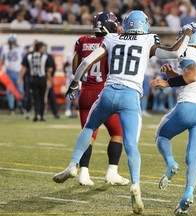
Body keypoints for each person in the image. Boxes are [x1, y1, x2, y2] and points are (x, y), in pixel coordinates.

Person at [52, 10, 192, 214]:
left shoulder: (112, 38)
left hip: (107, 93)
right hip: (130, 97)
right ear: (144, 25)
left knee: (89, 127)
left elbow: (84, 63)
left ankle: (73, 164)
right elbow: (174, 53)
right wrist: (187, 34)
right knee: (131, 145)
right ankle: (135, 183)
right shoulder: (147, 40)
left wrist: (74, 84)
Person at [150, 22, 196, 215]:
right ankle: (189, 193)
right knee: (193, 157)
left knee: (161, 135)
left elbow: (192, 77)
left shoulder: (187, 51)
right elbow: (193, 77)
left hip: (188, 107)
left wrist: (166, 81)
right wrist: (172, 73)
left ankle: (171, 164)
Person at [70, 11, 129, 186]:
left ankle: (84, 173)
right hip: (103, 93)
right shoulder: (111, 42)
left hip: (85, 93)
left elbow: (76, 70)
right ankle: (112, 172)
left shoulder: (82, 42)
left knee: (89, 134)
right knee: (117, 133)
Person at [18, 41, 53, 122]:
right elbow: (48, 70)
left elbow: (23, 68)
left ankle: (36, 114)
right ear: (40, 48)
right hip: (42, 79)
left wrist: (20, 78)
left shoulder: (29, 55)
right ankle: (42, 115)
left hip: (32, 79)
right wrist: (50, 80)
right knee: (43, 97)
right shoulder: (44, 56)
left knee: (35, 97)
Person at [0, 34, 25, 115]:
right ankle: (11, 108)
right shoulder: (4, 48)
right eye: (10, 41)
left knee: (20, 90)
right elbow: (2, 60)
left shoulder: (20, 48)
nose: (11, 43)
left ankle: (20, 106)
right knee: (10, 91)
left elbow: (24, 61)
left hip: (18, 72)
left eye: (13, 41)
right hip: (9, 72)